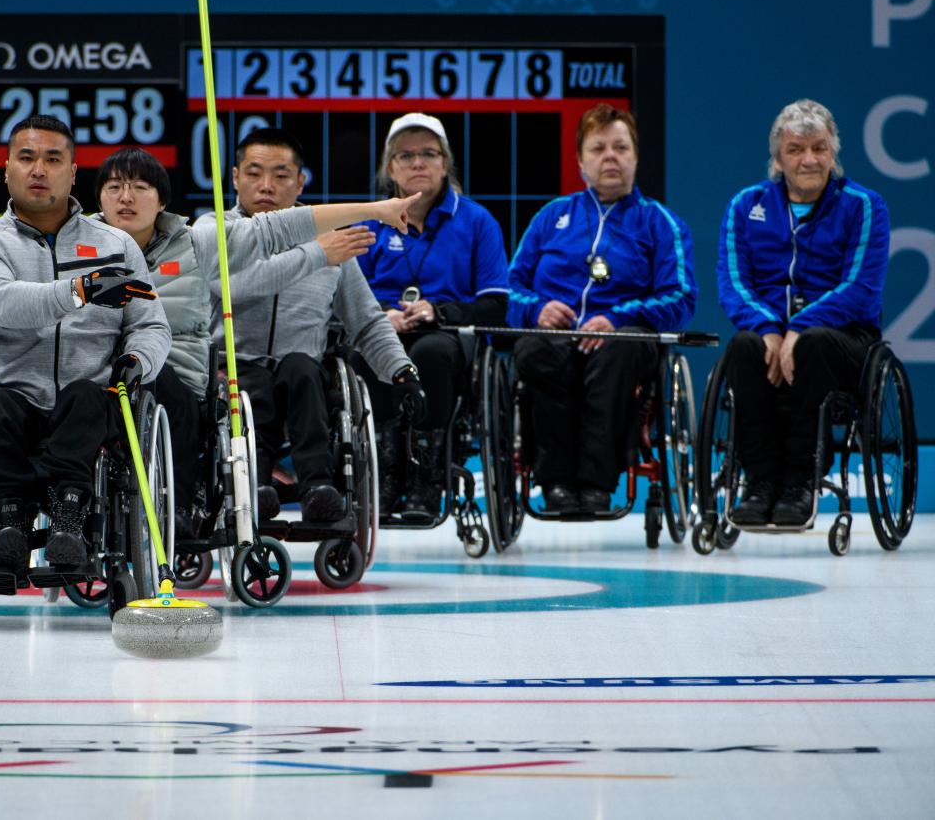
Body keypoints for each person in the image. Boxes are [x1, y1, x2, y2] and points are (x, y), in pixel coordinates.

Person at [0, 114, 172, 572]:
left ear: (72, 173)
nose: (39, 169)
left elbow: (151, 325)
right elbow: (0, 303)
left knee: (89, 396)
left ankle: (69, 518)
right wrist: (81, 291)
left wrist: (138, 360)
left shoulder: (117, 244)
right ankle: (8, 521)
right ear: (6, 167)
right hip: (13, 397)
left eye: (53, 159)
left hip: (87, 403)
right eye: (27, 157)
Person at [195, 127, 425, 524]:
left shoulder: (331, 241)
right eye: (254, 173)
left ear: (300, 182)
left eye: (281, 175)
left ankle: (319, 487)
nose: (266, 185)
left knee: (302, 368)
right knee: (253, 386)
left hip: (302, 377)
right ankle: (257, 486)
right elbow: (233, 287)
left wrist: (401, 370)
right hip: (231, 371)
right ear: (234, 178)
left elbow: (366, 321)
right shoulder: (212, 230)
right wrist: (316, 254)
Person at [507, 103, 696, 514]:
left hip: (623, 339)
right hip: (555, 337)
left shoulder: (661, 223)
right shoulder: (550, 217)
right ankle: (555, 481)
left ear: (635, 156)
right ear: (580, 161)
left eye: (620, 147)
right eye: (598, 149)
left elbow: (681, 298)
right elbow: (509, 290)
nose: (610, 156)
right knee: (536, 351)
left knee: (618, 352)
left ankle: (596, 482)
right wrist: (538, 309)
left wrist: (617, 318)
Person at [717, 98, 889, 527]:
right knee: (743, 347)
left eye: (819, 147)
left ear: (833, 152)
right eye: (796, 149)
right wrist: (769, 329)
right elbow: (734, 284)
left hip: (844, 340)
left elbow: (861, 289)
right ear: (778, 158)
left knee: (812, 345)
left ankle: (800, 482)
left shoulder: (864, 206)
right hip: (772, 333)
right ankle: (758, 482)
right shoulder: (745, 206)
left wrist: (798, 327)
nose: (809, 159)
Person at [357, 113, 509, 521]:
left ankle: (427, 479)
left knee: (430, 353)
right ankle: (386, 474)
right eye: (406, 156)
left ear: (446, 164)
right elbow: (345, 295)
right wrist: (381, 314)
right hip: (382, 329)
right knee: (367, 353)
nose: (418, 163)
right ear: (391, 168)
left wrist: (439, 311)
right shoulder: (370, 222)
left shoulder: (477, 222)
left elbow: (496, 304)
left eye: (429, 154)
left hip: (446, 333)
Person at [93, 147, 213, 535]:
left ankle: (177, 502)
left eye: (140, 187)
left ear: (161, 201)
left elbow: (269, 232)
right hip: (97, 373)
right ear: (99, 197)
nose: (125, 198)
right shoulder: (71, 247)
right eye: (114, 187)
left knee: (163, 384)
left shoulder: (196, 244)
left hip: (174, 374)